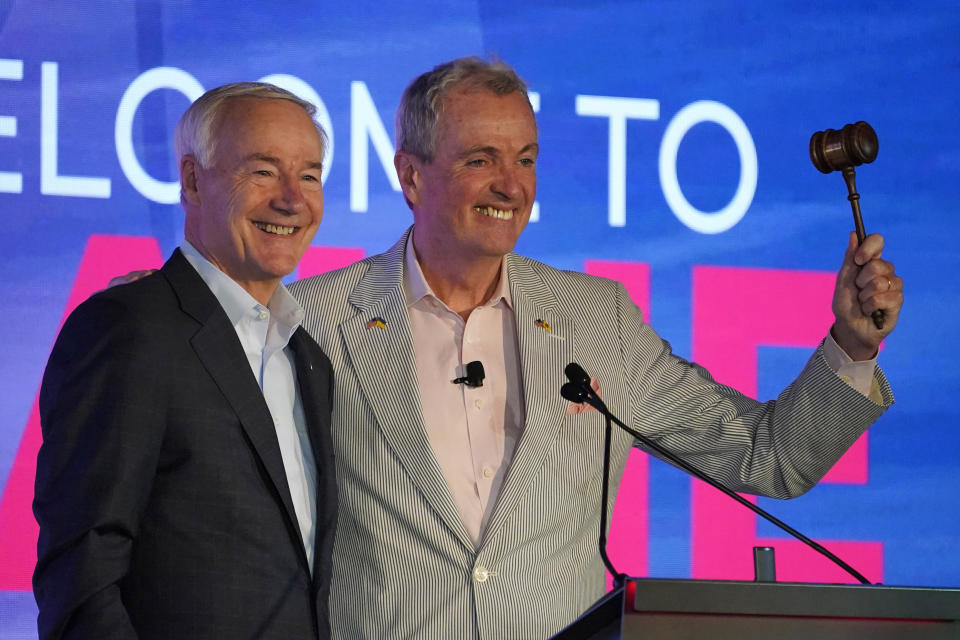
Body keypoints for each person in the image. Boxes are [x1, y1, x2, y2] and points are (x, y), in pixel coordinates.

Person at [287, 57, 903, 639]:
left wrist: (852, 344)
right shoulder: (314, 320)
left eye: (525, 160)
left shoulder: (595, 321)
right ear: (411, 176)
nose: (510, 186)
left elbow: (767, 457)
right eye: (481, 160)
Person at [33, 83, 337, 640]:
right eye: (263, 171)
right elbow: (82, 571)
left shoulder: (310, 358)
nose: (293, 199)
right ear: (193, 179)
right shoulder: (129, 327)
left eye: (310, 175)